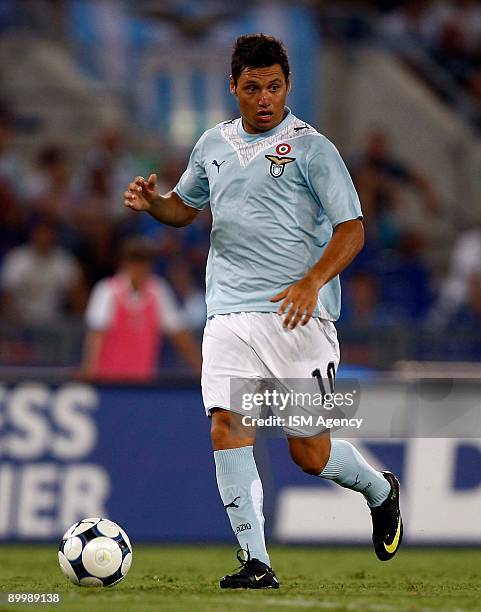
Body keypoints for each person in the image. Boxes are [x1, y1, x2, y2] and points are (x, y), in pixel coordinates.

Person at [124, 34, 403, 589]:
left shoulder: (312, 148)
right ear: (234, 89)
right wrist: (156, 204)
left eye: (274, 86)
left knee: (309, 452)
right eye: (252, 88)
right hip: (228, 311)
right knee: (228, 423)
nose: (264, 97)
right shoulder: (211, 145)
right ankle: (256, 561)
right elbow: (185, 207)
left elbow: (353, 229)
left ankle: (379, 488)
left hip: (301, 317)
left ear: (287, 87)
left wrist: (313, 281)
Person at [82, 236, 201, 381]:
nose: (139, 269)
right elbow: (96, 335)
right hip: (109, 382)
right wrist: (90, 371)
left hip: (143, 382)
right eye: (135, 263)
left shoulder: (158, 290)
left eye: (143, 264)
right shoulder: (107, 290)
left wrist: (200, 369)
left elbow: (179, 334)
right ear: (124, 263)